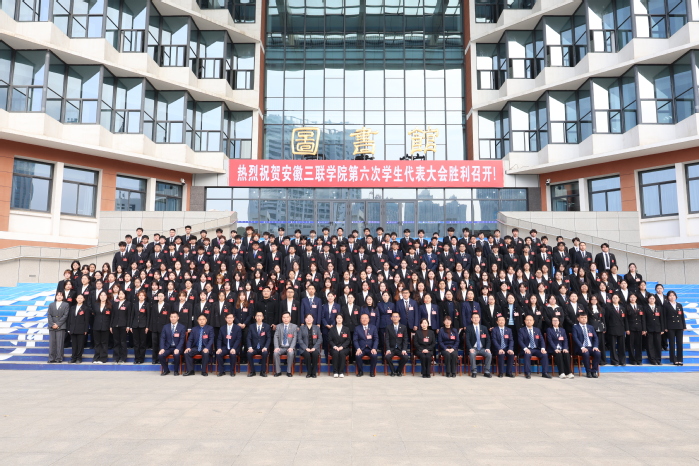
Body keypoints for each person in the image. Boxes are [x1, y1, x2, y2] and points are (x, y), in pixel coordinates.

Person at [518, 314, 551, 379]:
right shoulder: (521, 330)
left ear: (533, 321)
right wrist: (525, 349)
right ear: (525, 321)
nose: (529, 321)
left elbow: (541, 340)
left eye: (530, 320)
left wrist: (543, 348)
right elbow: (520, 341)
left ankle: (545, 373)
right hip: (527, 349)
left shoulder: (537, 330)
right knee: (527, 354)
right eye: (527, 320)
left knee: (544, 354)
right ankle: (527, 373)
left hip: (536, 349)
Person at [572, 314, 601, 378]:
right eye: (582, 317)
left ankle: (594, 371)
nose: (584, 319)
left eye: (585, 317)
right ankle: (588, 371)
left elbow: (595, 338)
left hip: (590, 347)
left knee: (597, 353)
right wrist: (582, 347)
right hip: (580, 348)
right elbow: (575, 338)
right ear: (578, 319)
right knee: (586, 353)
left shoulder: (590, 327)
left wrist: (595, 347)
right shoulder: (575, 327)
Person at [465, 313, 492, 378]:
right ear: (471, 319)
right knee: (472, 354)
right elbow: (467, 340)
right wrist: (470, 348)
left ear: (479, 319)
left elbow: (488, 339)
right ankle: (474, 371)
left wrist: (487, 348)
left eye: (477, 317)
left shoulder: (484, 328)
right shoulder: (468, 328)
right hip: (473, 348)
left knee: (489, 354)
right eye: (474, 317)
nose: (476, 319)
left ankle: (487, 372)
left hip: (482, 348)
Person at [384, 311, 409, 376]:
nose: (395, 318)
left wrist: (404, 349)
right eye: (393, 317)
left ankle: (399, 371)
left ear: (399, 318)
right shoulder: (388, 327)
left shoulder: (403, 327)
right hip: (391, 349)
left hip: (400, 349)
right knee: (387, 357)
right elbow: (387, 339)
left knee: (405, 357)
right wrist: (388, 349)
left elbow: (405, 339)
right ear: (391, 318)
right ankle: (392, 371)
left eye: (396, 316)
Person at [216, 312, 241, 376]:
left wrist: (234, 348)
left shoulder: (237, 328)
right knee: (218, 354)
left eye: (231, 318)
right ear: (225, 319)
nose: (229, 319)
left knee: (232, 354)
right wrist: (219, 348)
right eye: (228, 318)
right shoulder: (222, 328)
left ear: (233, 318)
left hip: (234, 347)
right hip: (225, 347)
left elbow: (238, 339)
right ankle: (222, 371)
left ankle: (232, 371)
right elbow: (219, 339)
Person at [664, 291, 686, 366]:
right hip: (670, 326)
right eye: (670, 295)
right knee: (672, 343)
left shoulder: (679, 305)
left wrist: (684, 326)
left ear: (676, 296)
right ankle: (673, 359)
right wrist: (665, 327)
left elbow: (682, 316)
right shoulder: (666, 305)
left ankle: (680, 359)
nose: (672, 297)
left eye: (673, 295)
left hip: (679, 326)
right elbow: (664, 317)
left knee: (679, 343)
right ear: (668, 297)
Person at [247, 311, 271, 377]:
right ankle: (252, 371)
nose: (259, 317)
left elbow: (268, 338)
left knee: (265, 353)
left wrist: (265, 347)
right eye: (257, 316)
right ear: (255, 317)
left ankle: (263, 371)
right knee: (249, 353)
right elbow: (248, 338)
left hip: (263, 348)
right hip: (254, 348)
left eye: (260, 316)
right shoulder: (251, 326)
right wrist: (250, 347)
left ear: (263, 317)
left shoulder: (267, 326)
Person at [47, 291, 69, 363]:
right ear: (56, 296)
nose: (59, 296)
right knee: (52, 343)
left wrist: (58, 324)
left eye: (61, 295)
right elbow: (49, 315)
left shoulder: (66, 304)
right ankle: (51, 358)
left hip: (61, 325)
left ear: (63, 297)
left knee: (60, 343)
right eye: (58, 295)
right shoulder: (51, 304)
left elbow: (65, 315)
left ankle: (59, 358)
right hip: (52, 325)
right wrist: (52, 324)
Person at [273, 312, 298, 377]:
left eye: (287, 317)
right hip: (281, 347)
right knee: (275, 353)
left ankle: (289, 371)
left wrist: (291, 347)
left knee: (291, 353)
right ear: (282, 318)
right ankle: (278, 371)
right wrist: (276, 347)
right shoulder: (278, 326)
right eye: (284, 317)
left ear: (290, 318)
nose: (285, 319)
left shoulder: (294, 326)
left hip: (289, 347)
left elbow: (294, 338)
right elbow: (276, 337)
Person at [298, 313, 322, 378]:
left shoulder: (317, 328)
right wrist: (306, 348)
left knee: (315, 354)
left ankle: (314, 372)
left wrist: (315, 347)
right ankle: (309, 372)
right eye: (307, 318)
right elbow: (299, 339)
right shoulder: (301, 328)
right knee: (307, 354)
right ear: (305, 319)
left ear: (313, 319)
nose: (309, 319)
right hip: (305, 348)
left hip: (314, 348)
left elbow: (320, 339)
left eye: (310, 318)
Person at [67, 294, 89, 364]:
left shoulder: (85, 308)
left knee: (80, 345)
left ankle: (79, 358)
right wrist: (69, 328)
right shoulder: (72, 308)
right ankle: (73, 358)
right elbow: (69, 318)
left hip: (81, 329)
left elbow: (86, 320)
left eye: (81, 298)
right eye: (78, 298)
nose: (79, 299)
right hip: (73, 329)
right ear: (76, 299)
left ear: (83, 299)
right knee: (74, 345)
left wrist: (86, 330)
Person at [110, 290, 131, 364]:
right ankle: (116, 358)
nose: (121, 295)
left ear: (125, 295)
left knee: (123, 342)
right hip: (115, 325)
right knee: (116, 342)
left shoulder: (128, 303)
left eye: (122, 294)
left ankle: (123, 358)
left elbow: (129, 315)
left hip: (123, 325)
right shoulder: (115, 303)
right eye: (119, 294)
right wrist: (111, 325)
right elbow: (112, 315)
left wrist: (128, 325)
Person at [606, 294, 627, 366]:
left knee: (622, 346)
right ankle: (614, 361)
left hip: (621, 328)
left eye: (616, 298)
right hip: (612, 328)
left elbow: (625, 319)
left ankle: (622, 361)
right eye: (613, 298)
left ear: (619, 299)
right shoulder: (609, 308)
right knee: (613, 346)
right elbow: (607, 319)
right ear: (611, 299)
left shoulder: (622, 308)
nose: (615, 299)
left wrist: (626, 328)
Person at [91, 291, 112, 364]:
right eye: (101, 295)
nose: (103, 297)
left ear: (107, 296)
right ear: (99, 297)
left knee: (104, 343)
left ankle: (103, 358)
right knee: (97, 343)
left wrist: (110, 326)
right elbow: (94, 315)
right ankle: (96, 357)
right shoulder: (95, 305)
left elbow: (111, 316)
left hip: (105, 326)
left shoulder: (110, 305)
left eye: (104, 295)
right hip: (96, 326)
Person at [626, 294, 645, 365]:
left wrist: (644, 329)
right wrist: (627, 329)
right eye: (631, 297)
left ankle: (639, 360)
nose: (632, 298)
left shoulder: (640, 307)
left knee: (639, 345)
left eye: (634, 297)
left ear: (636, 298)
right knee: (631, 345)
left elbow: (643, 318)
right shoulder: (627, 306)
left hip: (639, 328)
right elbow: (626, 319)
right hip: (631, 328)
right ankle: (632, 360)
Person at [329, 313, 351, 377]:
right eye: (337, 318)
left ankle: (341, 372)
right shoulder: (332, 329)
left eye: (340, 318)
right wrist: (334, 346)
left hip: (344, 348)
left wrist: (342, 346)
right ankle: (335, 372)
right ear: (335, 319)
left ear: (342, 319)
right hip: (334, 348)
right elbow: (330, 340)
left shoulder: (346, 329)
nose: (339, 319)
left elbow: (348, 340)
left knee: (342, 353)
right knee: (335, 353)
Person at [644, 295, 664, 365]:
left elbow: (661, 319)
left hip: (658, 329)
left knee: (658, 345)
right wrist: (644, 329)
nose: (652, 300)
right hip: (649, 329)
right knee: (650, 345)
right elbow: (644, 319)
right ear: (648, 299)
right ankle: (652, 360)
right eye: (650, 298)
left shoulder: (659, 308)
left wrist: (662, 329)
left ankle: (658, 360)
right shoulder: (645, 308)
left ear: (655, 299)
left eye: (653, 298)